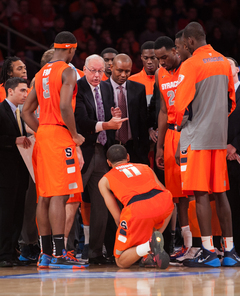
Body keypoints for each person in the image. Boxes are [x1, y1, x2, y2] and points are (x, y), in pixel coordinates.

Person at [174, 22, 239, 267]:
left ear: (190, 41)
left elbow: (179, 107)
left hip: (197, 139)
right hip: (218, 138)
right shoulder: (223, 61)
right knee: (221, 193)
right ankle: (230, 251)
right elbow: (232, 100)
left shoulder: (190, 65)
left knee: (201, 193)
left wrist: (180, 124)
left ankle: (209, 250)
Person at [22, 31, 87, 269]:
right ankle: (60, 254)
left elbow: (25, 111)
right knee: (60, 195)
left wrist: (43, 130)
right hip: (59, 135)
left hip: (44, 136)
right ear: (71, 49)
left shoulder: (40, 74)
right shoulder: (68, 70)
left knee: (45, 196)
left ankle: (45, 253)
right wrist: (74, 134)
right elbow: (65, 107)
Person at [75, 54, 127, 264]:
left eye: (100, 71)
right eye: (93, 71)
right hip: (82, 150)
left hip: (102, 151)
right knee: (70, 203)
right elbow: (82, 122)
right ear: (84, 69)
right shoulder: (76, 87)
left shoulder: (106, 88)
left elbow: (107, 116)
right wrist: (107, 125)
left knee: (102, 204)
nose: (97, 76)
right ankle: (64, 251)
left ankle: (96, 253)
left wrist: (113, 115)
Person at [98, 144, 174, 269]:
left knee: (121, 261)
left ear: (108, 163)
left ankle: (148, 246)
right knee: (167, 205)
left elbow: (118, 218)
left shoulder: (104, 180)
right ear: (128, 157)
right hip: (163, 202)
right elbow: (164, 190)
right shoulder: (145, 167)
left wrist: (131, 237)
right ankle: (151, 247)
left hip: (137, 209)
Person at [154, 36, 192, 262]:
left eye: (164, 57)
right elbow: (161, 110)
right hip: (169, 134)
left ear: (175, 51)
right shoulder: (160, 74)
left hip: (188, 131)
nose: (161, 62)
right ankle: (186, 244)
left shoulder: (188, 68)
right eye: (158, 58)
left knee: (193, 191)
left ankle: (197, 243)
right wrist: (159, 146)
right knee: (177, 195)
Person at [0, 77, 31, 267]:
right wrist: (13, 141)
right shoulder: (0, 110)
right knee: (5, 214)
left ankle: (11, 252)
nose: (25, 94)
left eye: (26, 91)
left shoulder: (21, 113)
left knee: (17, 213)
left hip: (20, 173)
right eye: (21, 91)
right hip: (4, 174)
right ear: (10, 91)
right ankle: (3, 254)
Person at [106, 54, 149, 165]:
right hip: (110, 147)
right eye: (119, 71)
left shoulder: (139, 89)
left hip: (134, 147)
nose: (123, 75)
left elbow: (143, 122)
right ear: (111, 68)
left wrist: (144, 149)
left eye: (127, 71)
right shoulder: (101, 88)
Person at [226, 57, 240, 256]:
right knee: (232, 203)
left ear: (237, 69)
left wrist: (235, 146)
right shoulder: (221, 94)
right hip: (224, 156)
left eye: (229, 65)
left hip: (235, 153)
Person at [129, 41, 158, 106]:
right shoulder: (131, 81)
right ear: (141, 57)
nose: (149, 62)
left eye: (153, 58)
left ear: (158, 56)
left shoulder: (167, 78)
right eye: (146, 58)